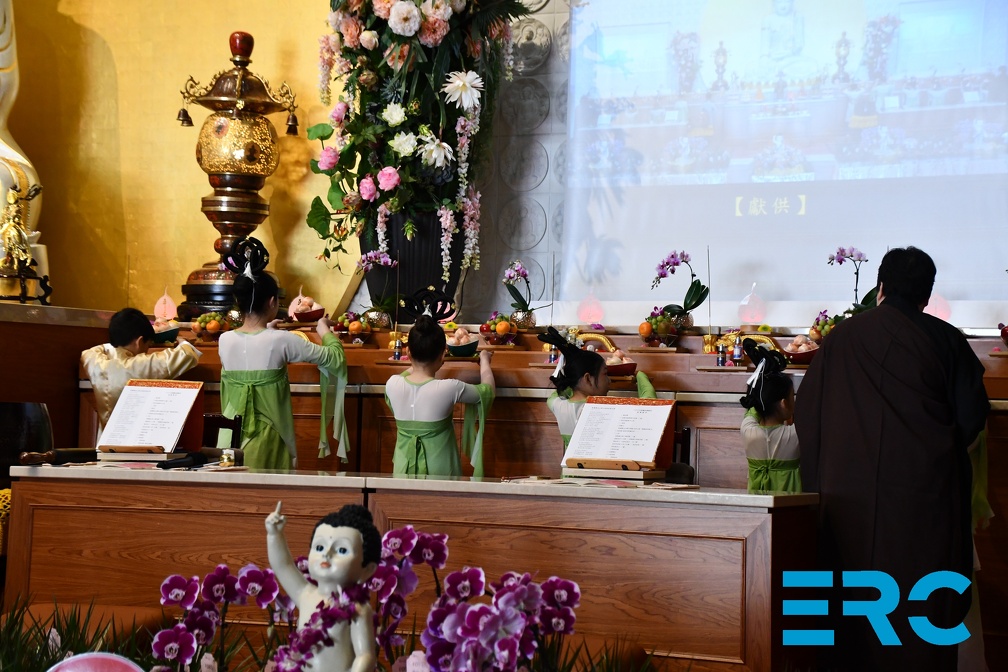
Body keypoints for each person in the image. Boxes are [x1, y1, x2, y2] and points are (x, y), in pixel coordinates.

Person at [794, 246, 989, 672]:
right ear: (927, 294)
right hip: (923, 505)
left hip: (846, 506)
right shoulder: (946, 341)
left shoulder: (841, 338)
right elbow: (972, 419)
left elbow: (807, 415)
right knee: (921, 611)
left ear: (880, 287)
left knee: (843, 611)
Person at [218, 267, 348, 470]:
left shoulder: (224, 340)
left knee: (228, 488)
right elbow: (334, 357)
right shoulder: (281, 340)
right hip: (266, 437)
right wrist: (324, 329)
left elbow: (252, 350)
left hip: (228, 437)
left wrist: (268, 330)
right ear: (272, 302)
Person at [265, 501, 379, 672]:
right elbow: (283, 566)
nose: (327, 554)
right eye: (319, 547)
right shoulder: (305, 595)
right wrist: (274, 535)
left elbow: (365, 656)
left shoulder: (357, 608)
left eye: (342, 550)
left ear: (367, 570)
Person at [384, 315, 495, 476]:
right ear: (443, 354)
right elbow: (488, 391)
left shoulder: (392, 384)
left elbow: (407, 374)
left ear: (408, 352)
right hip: (441, 473)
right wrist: (484, 359)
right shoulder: (449, 388)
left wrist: (419, 359)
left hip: (403, 471)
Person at [81, 307, 202, 436]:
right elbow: (186, 354)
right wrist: (182, 341)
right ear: (139, 342)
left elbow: (89, 352)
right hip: (134, 441)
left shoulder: (96, 362)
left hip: (103, 442)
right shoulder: (138, 366)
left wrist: (117, 340)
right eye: (148, 345)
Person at [537, 326, 656, 447]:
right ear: (588, 378)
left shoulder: (557, 404)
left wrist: (572, 383)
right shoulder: (603, 408)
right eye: (605, 374)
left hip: (569, 460)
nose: (609, 380)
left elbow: (559, 392)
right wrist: (640, 375)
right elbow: (649, 406)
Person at [738, 338, 800, 493]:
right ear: (784, 403)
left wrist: (762, 383)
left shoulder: (747, 431)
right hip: (790, 504)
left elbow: (753, 408)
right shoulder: (796, 435)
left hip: (755, 504)